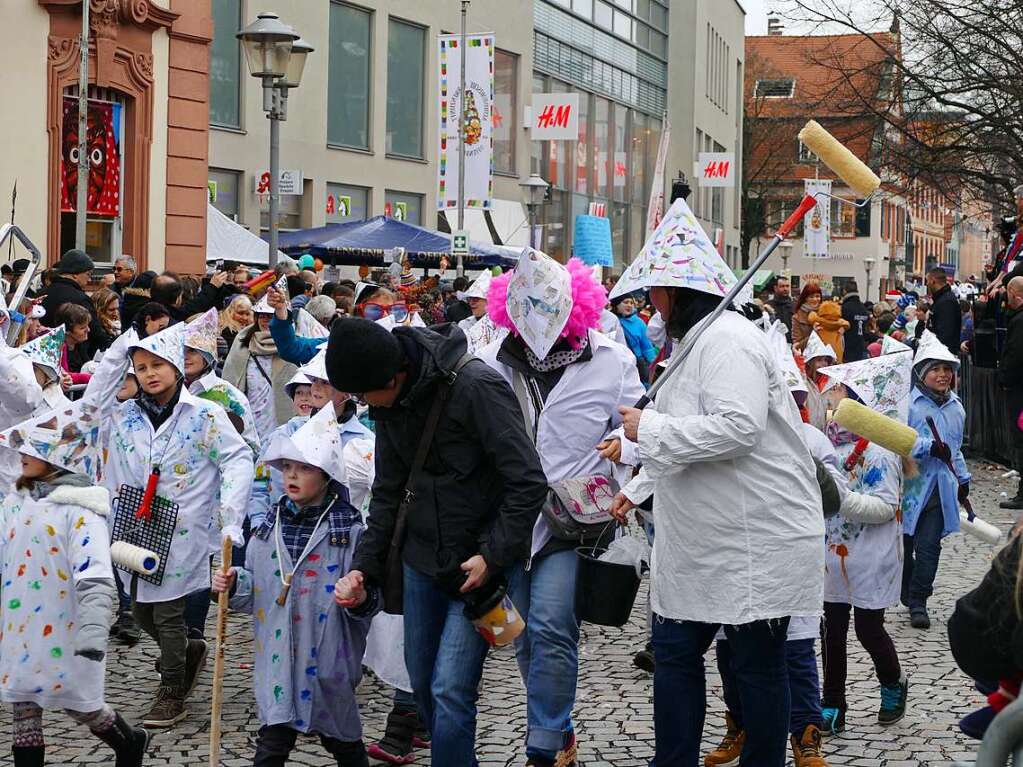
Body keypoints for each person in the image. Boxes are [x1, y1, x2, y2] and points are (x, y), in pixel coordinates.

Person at [606, 198, 824, 766]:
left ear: (679, 291)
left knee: (755, 666)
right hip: (699, 543)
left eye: (657, 290)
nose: (651, 302)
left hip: (751, 542)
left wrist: (648, 426)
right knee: (676, 657)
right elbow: (683, 437)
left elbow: (736, 429)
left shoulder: (728, 340)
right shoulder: (691, 344)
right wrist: (636, 461)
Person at [327, 317, 548, 766]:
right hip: (419, 563)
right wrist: (363, 568)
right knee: (423, 683)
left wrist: (492, 555)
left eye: (364, 396)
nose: (362, 406)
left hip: (475, 570)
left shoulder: (477, 386)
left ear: (395, 377)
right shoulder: (387, 401)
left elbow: (527, 482)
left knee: (450, 688)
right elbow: (389, 491)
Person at [477, 254, 645, 767]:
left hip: (572, 520)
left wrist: (623, 444)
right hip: (509, 520)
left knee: (552, 623)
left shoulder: (612, 360)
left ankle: (544, 744)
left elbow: (639, 422)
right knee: (520, 635)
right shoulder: (491, 361)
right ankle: (559, 727)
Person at [83, 322, 253, 728]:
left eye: (158, 364)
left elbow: (238, 458)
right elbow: (89, 408)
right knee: (140, 612)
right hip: (132, 527)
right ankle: (189, 652)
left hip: (182, 529)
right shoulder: (122, 416)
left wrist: (231, 517)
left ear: (177, 366)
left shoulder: (207, 414)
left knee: (169, 615)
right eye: (141, 368)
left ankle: (172, 691)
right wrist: (113, 358)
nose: (150, 374)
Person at [214, 403, 376, 767]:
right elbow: (256, 590)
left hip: (328, 660)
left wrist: (358, 595)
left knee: (344, 743)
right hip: (278, 663)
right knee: (272, 744)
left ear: (327, 474)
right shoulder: (266, 530)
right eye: (287, 467)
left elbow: (372, 598)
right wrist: (233, 583)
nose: (292, 475)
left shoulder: (349, 534)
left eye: (304, 468)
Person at [0, 402, 150, 767]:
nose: (22, 455)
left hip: (66, 626)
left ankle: (128, 741)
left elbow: (95, 575)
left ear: (59, 455)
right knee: (23, 705)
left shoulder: (81, 510)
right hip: (20, 625)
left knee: (79, 703)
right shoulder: (16, 502)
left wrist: (93, 632)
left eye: (33, 448)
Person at [819, 381, 909, 732]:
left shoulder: (882, 452)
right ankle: (833, 703)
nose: (831, 397)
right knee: (831, 629)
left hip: (872, 553)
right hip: (834, 552)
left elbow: (887, 507)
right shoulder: (828, 443)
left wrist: (842, 500)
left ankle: (892, 683)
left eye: (839, 392)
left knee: (868, 629)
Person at [901, 330, 970, 629]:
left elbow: (955, 449)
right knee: (904, 547)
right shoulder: (909, 406)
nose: (943, 375)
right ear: (922, 373)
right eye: (936, 370)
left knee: (930, 546)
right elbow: (898, 441)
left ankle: (919, 600)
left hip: (941, 490)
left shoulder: (957, 408)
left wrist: (964, 478)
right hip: (910, 488)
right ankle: (906, 585)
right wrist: (927, 446)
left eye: (947, 370)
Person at [223, 289, 299, 444]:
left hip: (278, 416)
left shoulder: (293, 344)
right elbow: (230, 379)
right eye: (262, 315)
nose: (265, 320)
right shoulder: (243, 340)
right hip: (249, 412)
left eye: (271, 316)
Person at [39, 249, 111, 355]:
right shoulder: (81, 299)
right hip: (73, 357)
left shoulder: (41, 294)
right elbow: (96, 333)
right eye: (88, 274)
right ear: (75, 274)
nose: (89, 279)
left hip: (43, 352)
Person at [1000, 277, 1023, 510]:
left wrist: (1004, 379)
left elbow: (1016, 354)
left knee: (1021, 438)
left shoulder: (1019, 321)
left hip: (1019, 389)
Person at [612, 293, 657, 383]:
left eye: (631, 303)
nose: (629, 305)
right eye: (626, 302)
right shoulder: (611, 321)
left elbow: (647, 347)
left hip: (636, 364)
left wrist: (653, 366)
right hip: (616, 364)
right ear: (616, 305)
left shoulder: (639, 322)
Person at [926, 268, 961, 355]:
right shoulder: (940, 299)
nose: (927, 284)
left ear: (933, 281)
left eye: (927, 281)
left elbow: (945, 333)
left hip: (942, 355)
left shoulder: (946, 301)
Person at [57, 302, 93, 384]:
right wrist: (92, 378)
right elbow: (65, 376)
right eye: (82, 328)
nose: (88, 330)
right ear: (67, 331)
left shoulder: (82, 345)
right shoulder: (59, 348)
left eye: (87, 325)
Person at [840, 284, 870, 362]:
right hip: (861, 348)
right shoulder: (864, 309)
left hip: (847, 350)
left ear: (844, 291)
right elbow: (866, 331)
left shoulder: (844, 308)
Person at [792, 283, 823, 350]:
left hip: (826, 355)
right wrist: (814, 334)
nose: (815, 299)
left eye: (817, 296)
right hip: (807, 356)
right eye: (811, 297)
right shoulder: (797, 317)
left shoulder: (825, 313)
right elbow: (797, 346)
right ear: (805, 298)